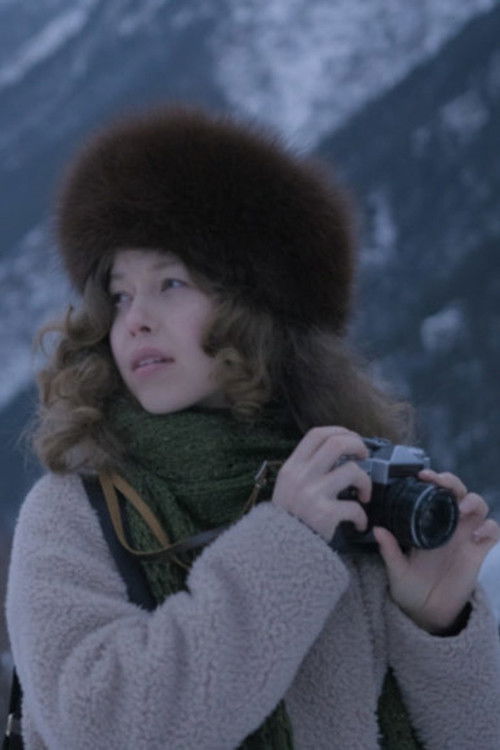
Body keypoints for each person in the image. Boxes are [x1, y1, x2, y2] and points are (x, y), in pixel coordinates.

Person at [5, 105, 500, 750]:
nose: (135, 319)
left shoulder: (347, 492)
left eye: (171, 283)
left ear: (255, 311)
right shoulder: (75, 513)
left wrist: (437, 627)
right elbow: (101, 726)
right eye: (120, 295)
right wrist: (287, 546)